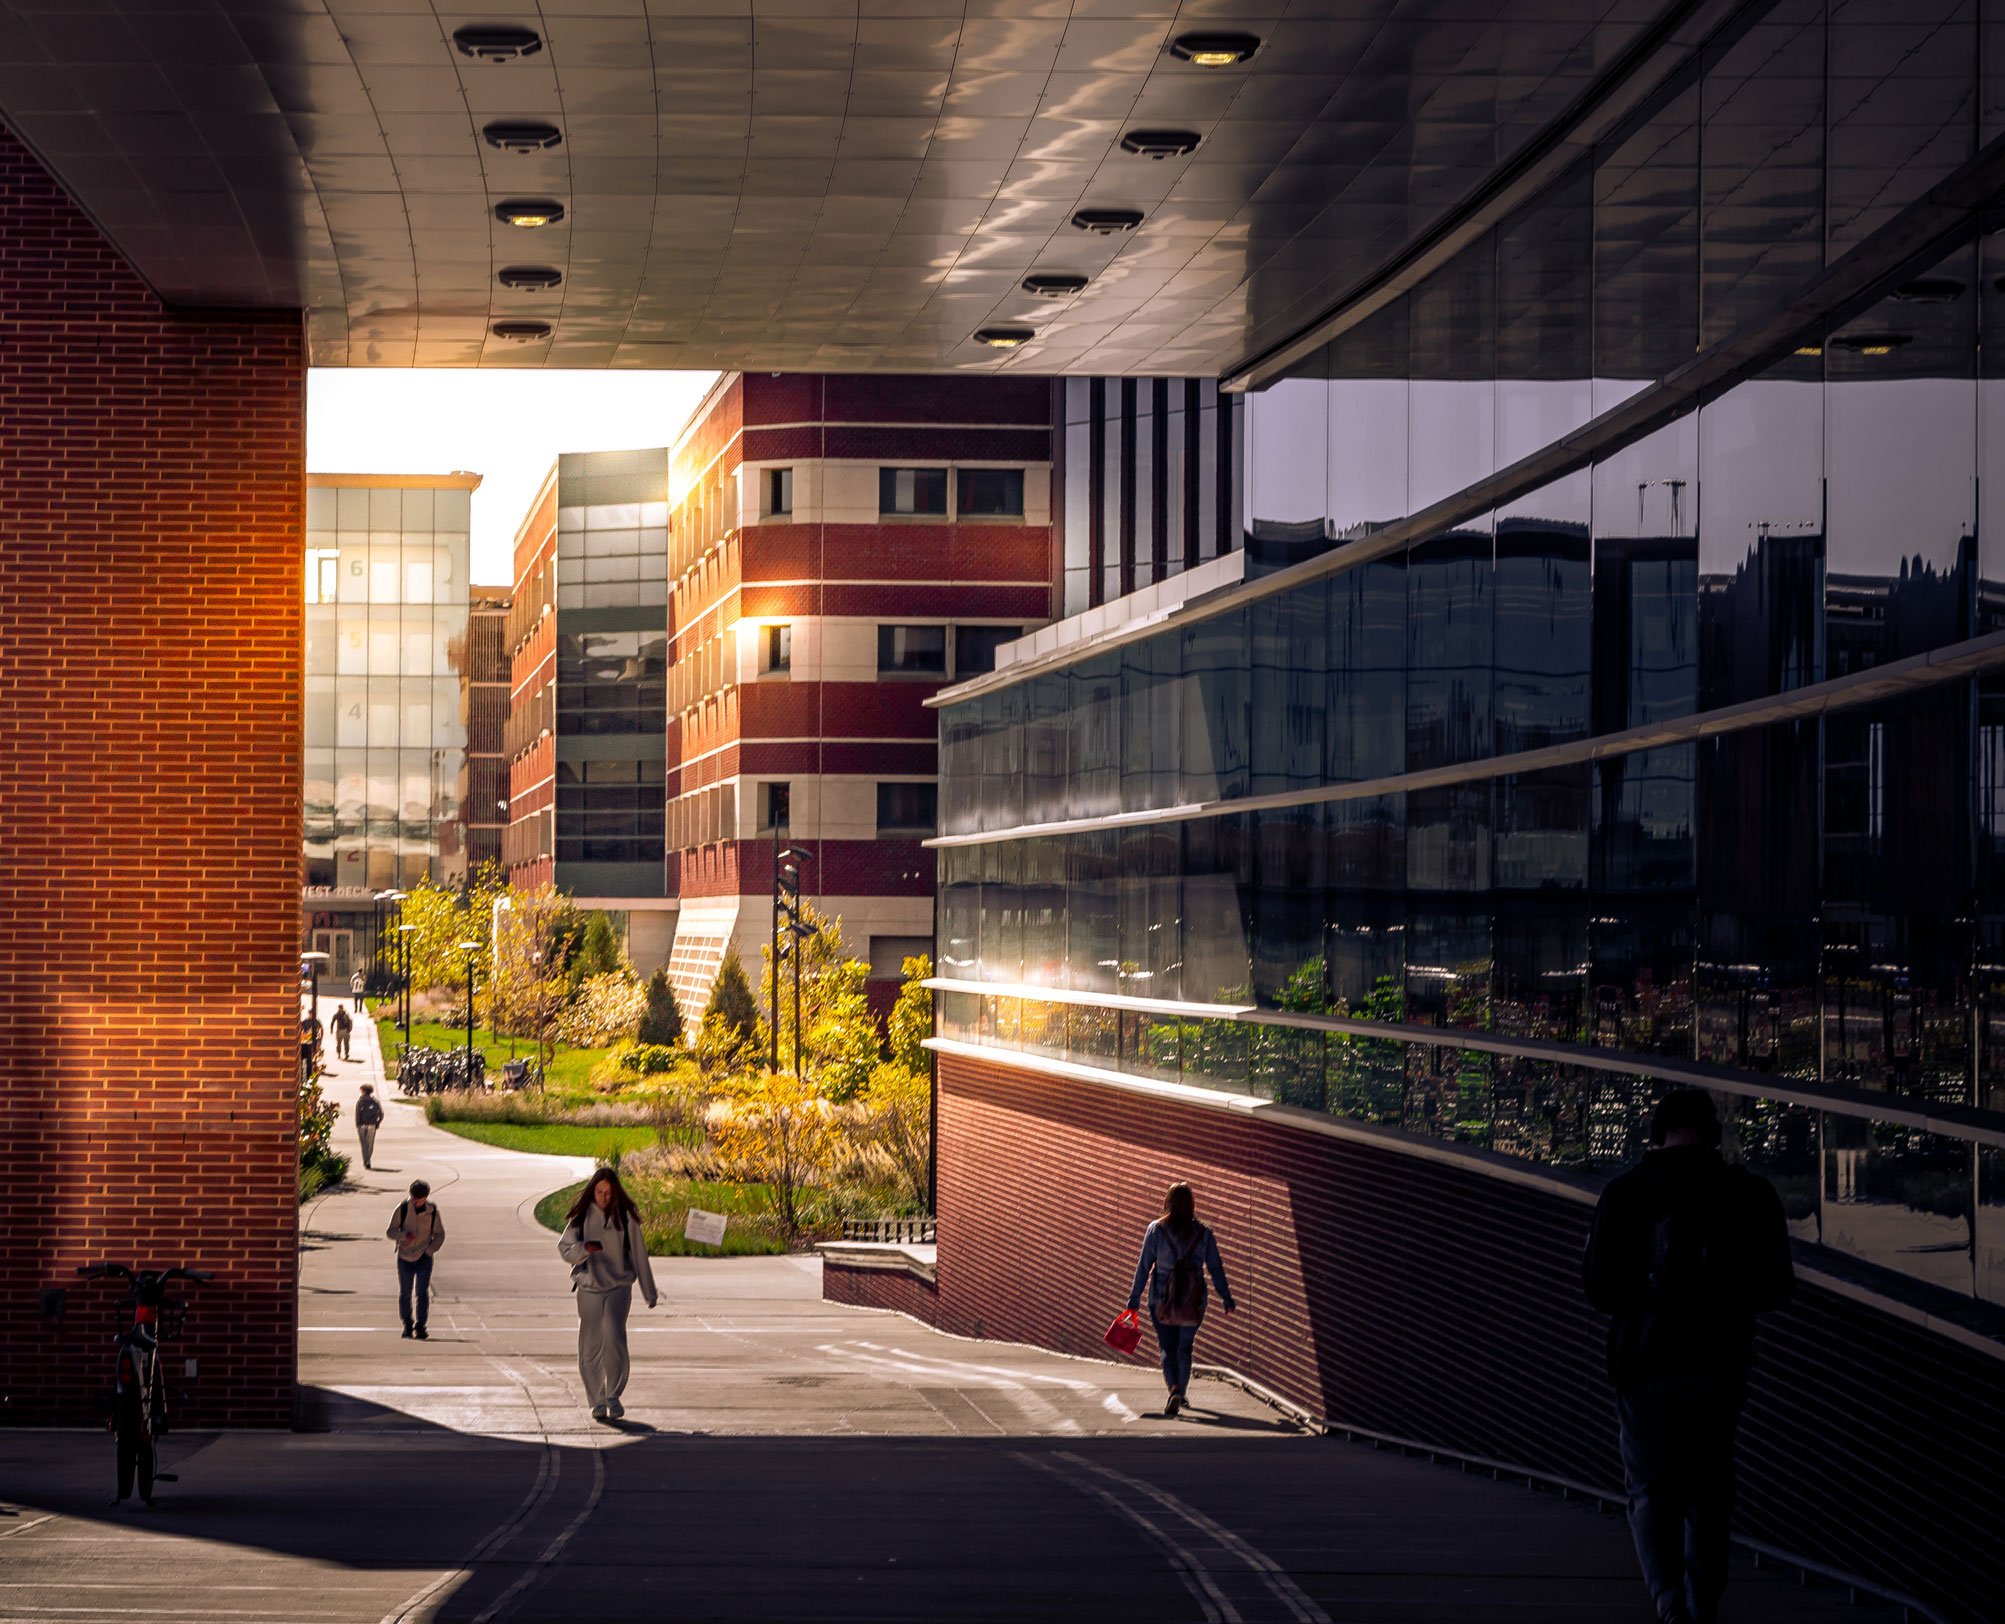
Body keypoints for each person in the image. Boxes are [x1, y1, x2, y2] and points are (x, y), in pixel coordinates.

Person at [1582, 1089, 1795, 1624]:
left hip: (1644, 1365)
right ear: (1713, 1135)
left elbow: (1599, 1289)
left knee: (1649, 1488)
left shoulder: (1625, 1193)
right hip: (1719, 1365)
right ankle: (1702, 1607)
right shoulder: (1750, 1194)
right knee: (1709, 1491)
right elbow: (1777, 1287)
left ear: (1656, 1134)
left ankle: (1669, 1604)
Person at [1125, 1181, 1235, 1417]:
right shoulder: (1204, 1233)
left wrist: (1134, 1299)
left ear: (1168, 1202)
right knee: (1184, 1347)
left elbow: (1144, 1266)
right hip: (1193, 1300)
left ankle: (1174, 1388)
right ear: (1192, 1204)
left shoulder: (1156, 1229)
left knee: (1167, 1345)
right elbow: (1216, 1268)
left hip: (1161, 1299)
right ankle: (1181, 1393)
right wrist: (1226, 1298)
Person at [557, 1167, 658, 1422]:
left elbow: (639, 1254)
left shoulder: (625, 1216)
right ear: (593, 1191)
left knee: (614, 1338)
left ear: (615, 1193)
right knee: (590, 1345)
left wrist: (649, 1292)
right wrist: (584, 1249)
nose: (603, 1197)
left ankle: (613, 1394)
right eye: (599, 1192)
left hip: (618, 1287)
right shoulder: (581, 1216)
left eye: (608, 1193)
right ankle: (597, 1400)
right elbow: (565, 1248)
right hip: (589, 1287)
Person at [387, 1179, 445, 1339]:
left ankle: (421, 1326)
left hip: (423, 1257)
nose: (416, 1202)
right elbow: (390, 1232)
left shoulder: (432, 1211)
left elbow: (440, 1234)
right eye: (414, 1199)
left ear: (426, 1197)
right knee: (405, 1292)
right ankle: (407, 1324)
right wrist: (405, 1236)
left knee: (422, 1292)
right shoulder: (403, 1208)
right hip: (404, 1257)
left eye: (420, 1200)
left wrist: (429, 1251)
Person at [353, 1082, 383, 1170]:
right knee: (370, 1144)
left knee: (364, 1144)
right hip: (372, 1125)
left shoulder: (360, 1101)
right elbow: (381, 1114)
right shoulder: (375, 1101)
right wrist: (377, 1123)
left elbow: (357, 1113)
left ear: (364, 1091)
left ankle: (366, 1161)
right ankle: (368, 1159)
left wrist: (357, 1124)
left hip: (362, 1125)